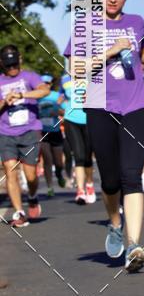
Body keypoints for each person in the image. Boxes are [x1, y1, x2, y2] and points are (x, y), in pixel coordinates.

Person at [64, 0, 144, 272]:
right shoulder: (85, 26)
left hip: (136, 105)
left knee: (131, 175)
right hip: (99, 106)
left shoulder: (136, 22)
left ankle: (135, 243)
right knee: (110, 179)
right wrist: (111, 51)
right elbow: (75, 69)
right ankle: (115, 223)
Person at [0, 46, 50, 226]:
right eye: (8, 65)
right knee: (10, 170)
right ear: (2, 64)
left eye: (14, 64)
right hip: (6, 133)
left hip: (29, 131)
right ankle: (20, 213)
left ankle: (32, 195)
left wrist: (22, 94)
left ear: (20, 60)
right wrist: (5, 101)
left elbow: (44, 90)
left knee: (30, 176)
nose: (12, 68)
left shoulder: (29, 76)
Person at [58, 72, 95, 205]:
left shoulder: (94, 76)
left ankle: (89, 184)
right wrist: (63, 107)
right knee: (78, 156)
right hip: (71, 120)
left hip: (89, 120)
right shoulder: (64, 79)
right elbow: (60, 97)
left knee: (87, 157)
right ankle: (80, 191)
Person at [38, 75, 65, 197]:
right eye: (43, 83)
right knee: (47, 160)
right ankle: (50, 187)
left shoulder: (56, 96)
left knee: (58, 162)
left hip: (55, 131)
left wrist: (58, 111)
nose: (46, 85)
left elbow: (65, 111)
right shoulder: (36, 97)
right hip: (42, 132)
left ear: (51, 84)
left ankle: (59, 174)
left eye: (48, 83)